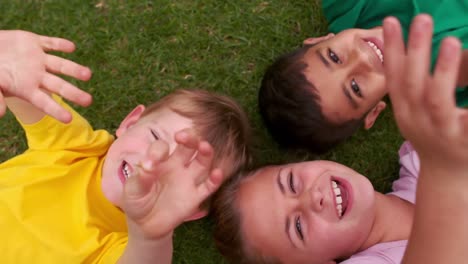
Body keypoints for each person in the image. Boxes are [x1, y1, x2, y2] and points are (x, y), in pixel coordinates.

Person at [212, 15, 468, 264]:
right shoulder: (435, 161)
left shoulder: (421, 156)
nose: (313, 198)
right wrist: (442, 174)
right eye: (298, 227)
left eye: (291, 182)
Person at [0, 30, 251, 263]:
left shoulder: (125, 245)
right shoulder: (77, 147)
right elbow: (24, 92)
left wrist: (151, 236)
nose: (152, 161)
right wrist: (10, 66)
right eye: (155, 136)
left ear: (191, 210)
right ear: (130, 122)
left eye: (180, 167)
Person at [258, 0, 468, 154]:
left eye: (333, 56)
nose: (361, 59)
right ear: (374, 111)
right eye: (355, 87)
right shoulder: (441, 82)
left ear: (320, 39)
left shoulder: (348, 5)